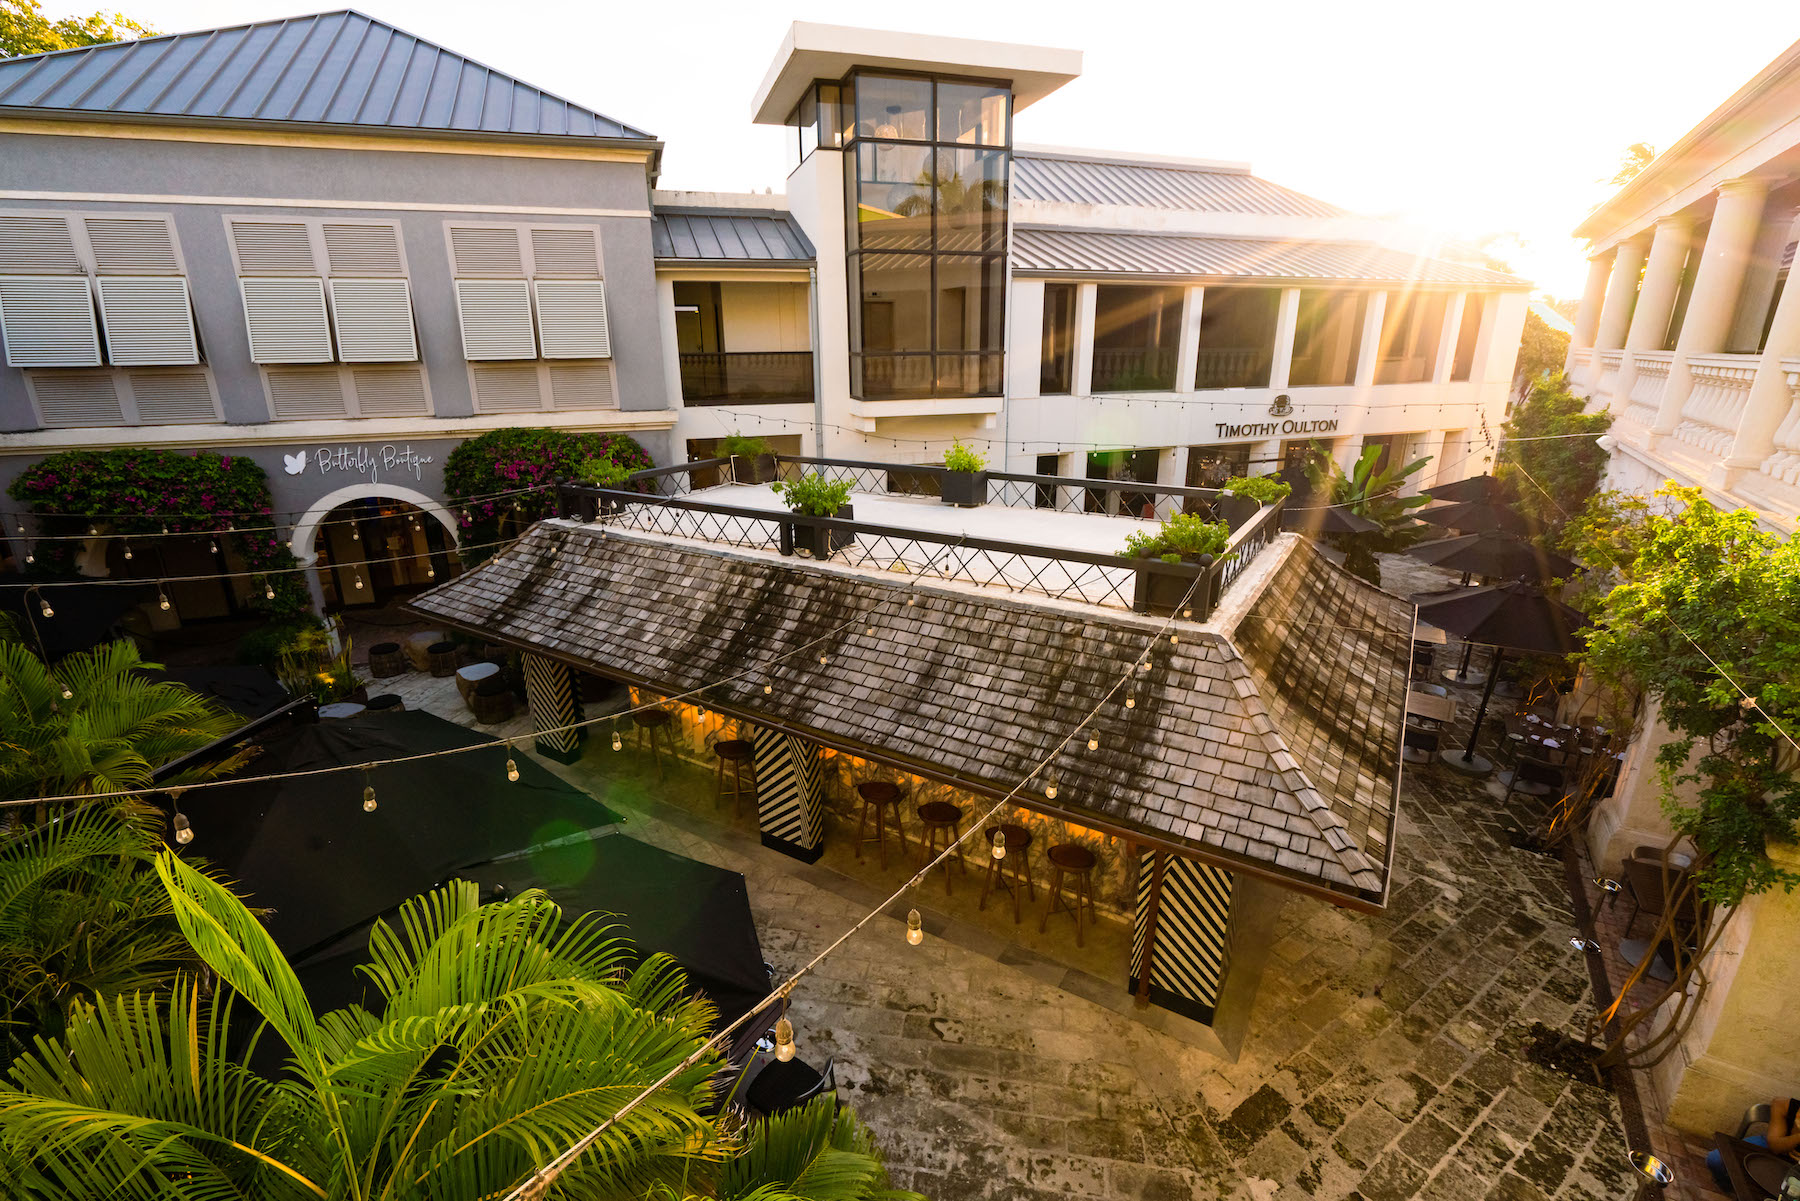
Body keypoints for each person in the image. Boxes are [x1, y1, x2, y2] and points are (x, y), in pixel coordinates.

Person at [1710, 1097, 1800, 1189]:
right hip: (1774, 1146)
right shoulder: (1783, 1105)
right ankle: (1731, 1187)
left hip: (1793, 1166)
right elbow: (1775, 1147)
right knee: (1715, 1159)